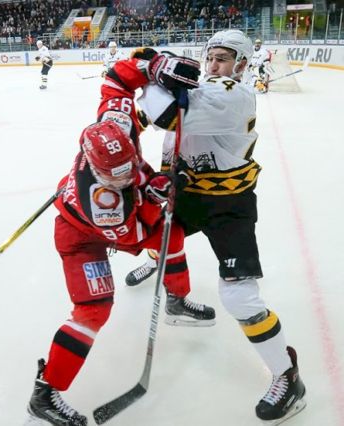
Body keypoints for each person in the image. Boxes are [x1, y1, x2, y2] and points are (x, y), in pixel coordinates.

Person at [127, 29, 306, 423]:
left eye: (222, 59)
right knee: (158, 236)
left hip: (228, 206)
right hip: (188, 195)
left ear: (241, 64)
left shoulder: (234, 95)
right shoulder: (199, 85)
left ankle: (287, 376)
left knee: (239, 298)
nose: (213, 65)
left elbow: (164, 115)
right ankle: (173, 293)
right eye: (210, 57)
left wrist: (146, 71)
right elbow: (144, 119)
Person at [27, 118, 216, 425]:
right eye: (116, 175)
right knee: (93, 310)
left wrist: (155, 178)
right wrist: (153, 197)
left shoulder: (110, 143)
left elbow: (133, 165)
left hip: (109, 221)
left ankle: (177, 299)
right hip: (81, 240)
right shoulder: (103, 201)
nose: (127, 177)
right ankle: (45, 393)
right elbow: (135, 235)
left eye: (128, 167)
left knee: (172, 235)